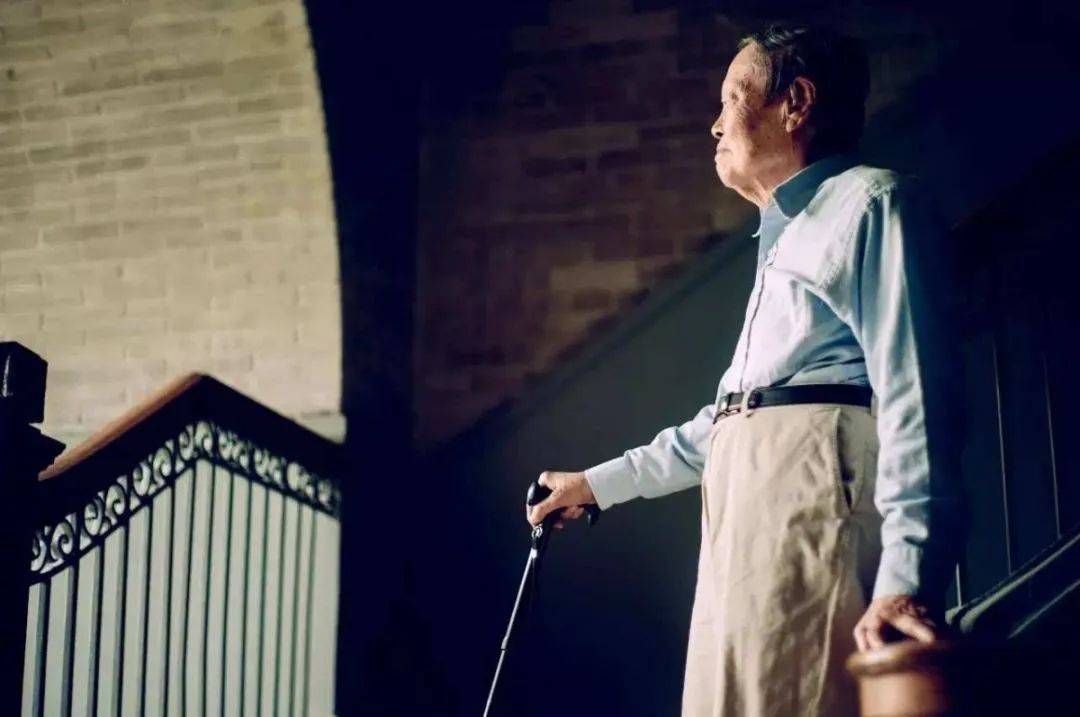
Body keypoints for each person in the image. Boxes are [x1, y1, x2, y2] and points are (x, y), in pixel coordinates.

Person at [526, 23, 968, 717]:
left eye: (731, 99)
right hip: (742, 511)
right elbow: (733, 420)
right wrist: (597, 485)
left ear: (796, 103)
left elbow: (917, 398)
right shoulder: (782, 238)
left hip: (809, 503)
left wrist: (906, 578)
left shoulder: (872, 203)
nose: (714, 125)